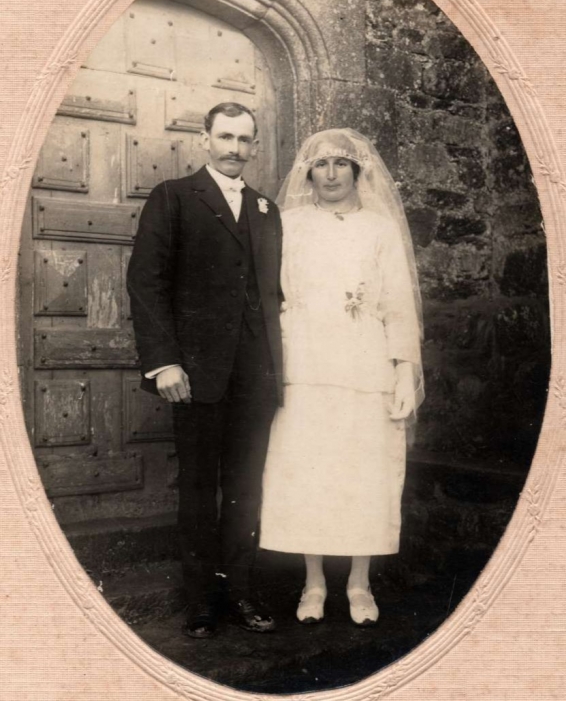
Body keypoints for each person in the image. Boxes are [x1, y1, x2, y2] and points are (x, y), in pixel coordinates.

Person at [127, 102, 283, 639]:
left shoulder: (267, 209)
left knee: (246, 488)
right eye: (225, 137)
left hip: (255, 376)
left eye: (244, 139)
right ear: (204, 138)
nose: (234, 149)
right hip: (194, 375)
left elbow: (271, 295)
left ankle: (241, 592)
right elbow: (146, 284)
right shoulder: (172, 197)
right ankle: (200, 601)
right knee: (197, 488)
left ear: (255, 145)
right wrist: (164, 362)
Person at [260, 128, 424, 626]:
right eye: (320, 165)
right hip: (304, 365)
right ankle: (313, 582)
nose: (330, 175)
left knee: (362, 472)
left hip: (363, 364)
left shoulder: (379, 229)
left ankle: (359, 581)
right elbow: (271, 296)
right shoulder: (286, 225)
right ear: (306, 172)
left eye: (340, 165)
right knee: (309, 472)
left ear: (357, 172)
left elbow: (398, 306)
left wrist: (403, 372)